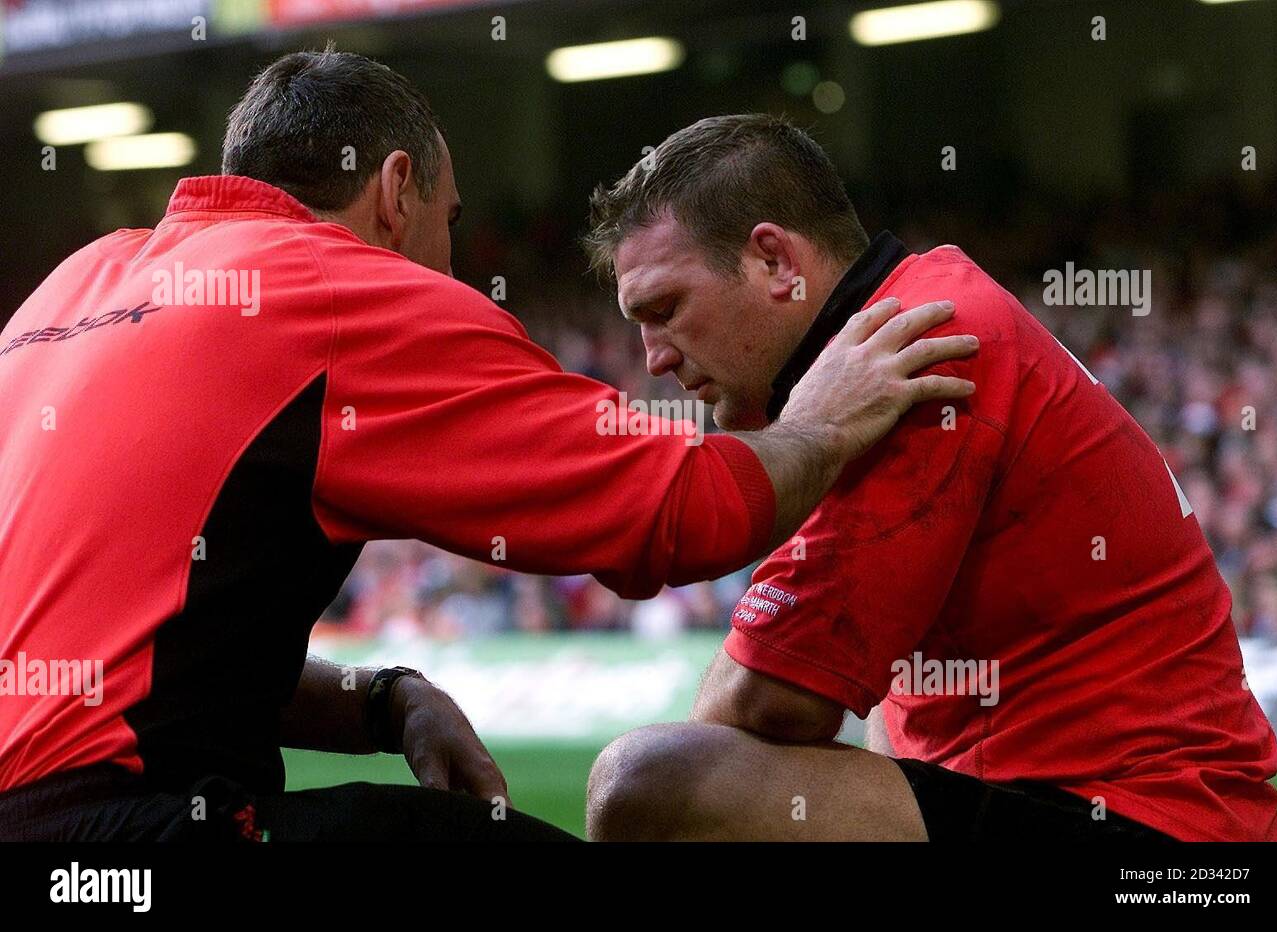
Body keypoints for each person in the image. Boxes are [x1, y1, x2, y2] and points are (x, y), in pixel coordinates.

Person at [0, 53, 978, 841]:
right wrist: (823, 419)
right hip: (130, 824)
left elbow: (131, 667)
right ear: (396, 189)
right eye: (451, 220)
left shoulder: (70, 289)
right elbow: (674, 512)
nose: (453, 259)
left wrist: (386, 701)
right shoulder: (332, 288)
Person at [583, 113, 1277, 842]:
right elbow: (872, 696)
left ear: (775, 263)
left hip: (1160, 837)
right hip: (1083, 804)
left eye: (665, 310)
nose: (654, 358)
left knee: (649, 782)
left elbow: (762, 705)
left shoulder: (923, 348)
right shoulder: (903, 329)